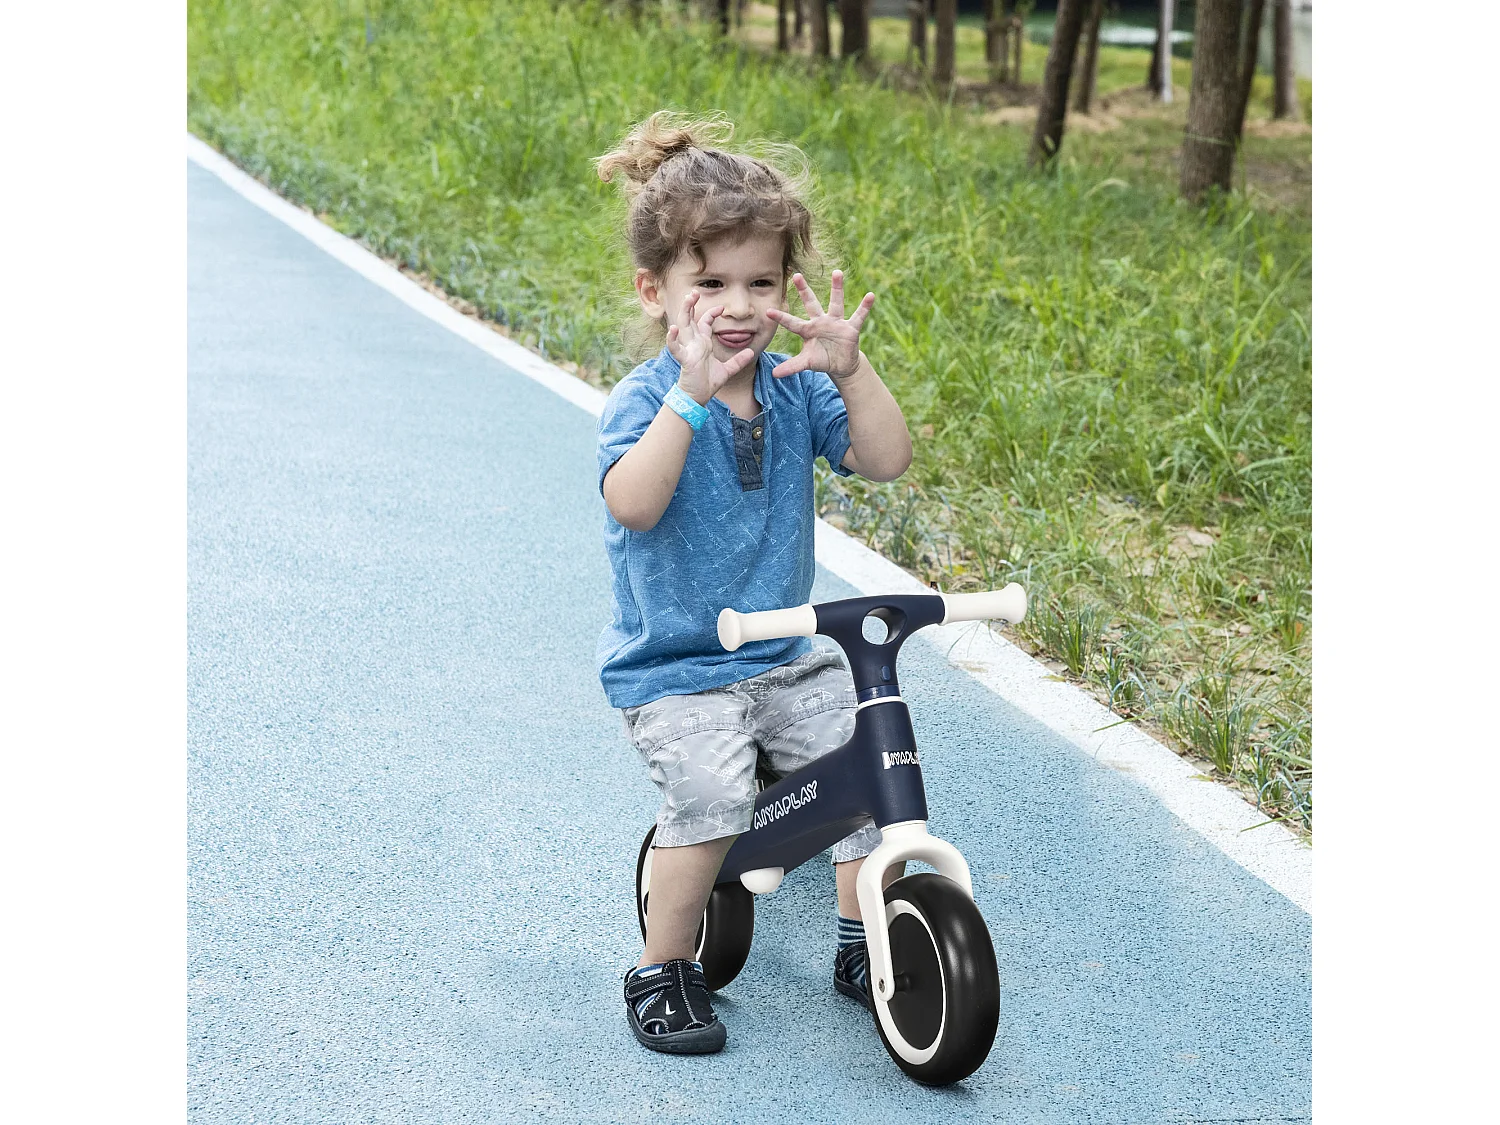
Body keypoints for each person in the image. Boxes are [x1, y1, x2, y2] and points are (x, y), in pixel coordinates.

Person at [593, 111, 913, 1055]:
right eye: (712, 283)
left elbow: (885, 459)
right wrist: (690, 398)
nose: (737, 305)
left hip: (782, 650)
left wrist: (852, 374)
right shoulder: (647, 401)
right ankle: (664, 965)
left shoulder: (796, 387)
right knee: (711, 798)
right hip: (680, 666)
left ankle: (869, 943)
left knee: (872, 769)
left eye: (760, 282)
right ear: (658, 292)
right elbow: (634, 503)